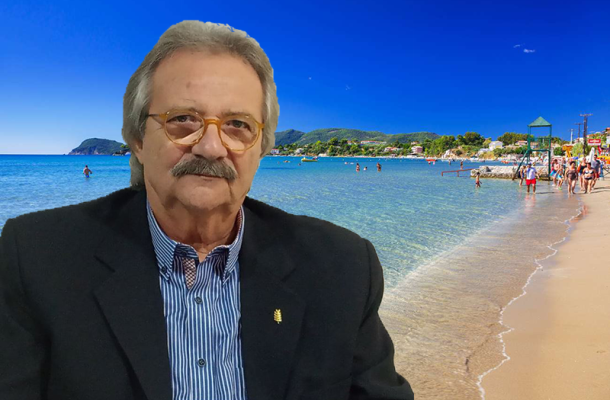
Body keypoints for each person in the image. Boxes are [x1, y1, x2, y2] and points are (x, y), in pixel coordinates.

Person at [0, 21, 413, 400]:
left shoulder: (342, 267)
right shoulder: (36, 258)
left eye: (238, 125)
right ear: (138, 140)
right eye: (183, 119)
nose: (211, 147)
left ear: (261, 149)